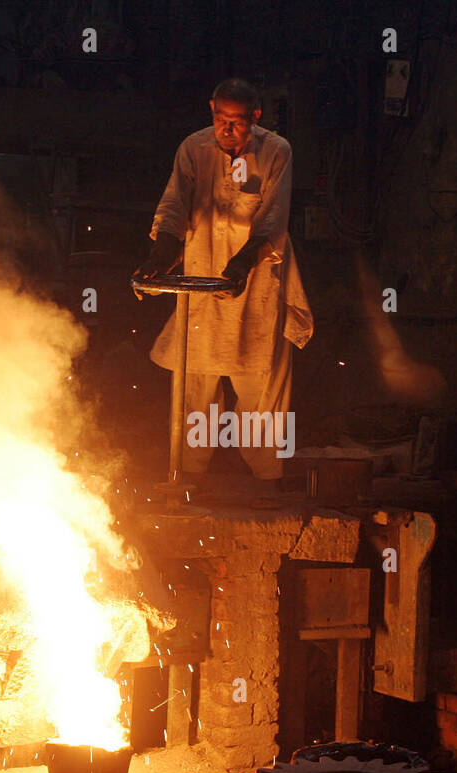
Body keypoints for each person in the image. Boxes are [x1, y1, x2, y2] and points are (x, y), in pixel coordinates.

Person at [133, 77, 313, 492]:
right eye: (220, 119)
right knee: (195, 380)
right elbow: (174, 207)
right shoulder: (193, 149)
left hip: (258, 283)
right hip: (201, 276)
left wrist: (241, 266)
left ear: (255, 117)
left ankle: (267, 480)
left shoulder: (276, 152)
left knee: (260, 387)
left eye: (237, 121)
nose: (228, 129)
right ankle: (188, 477)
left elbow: (271, 220)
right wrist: (160, 258)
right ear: (211, 110)